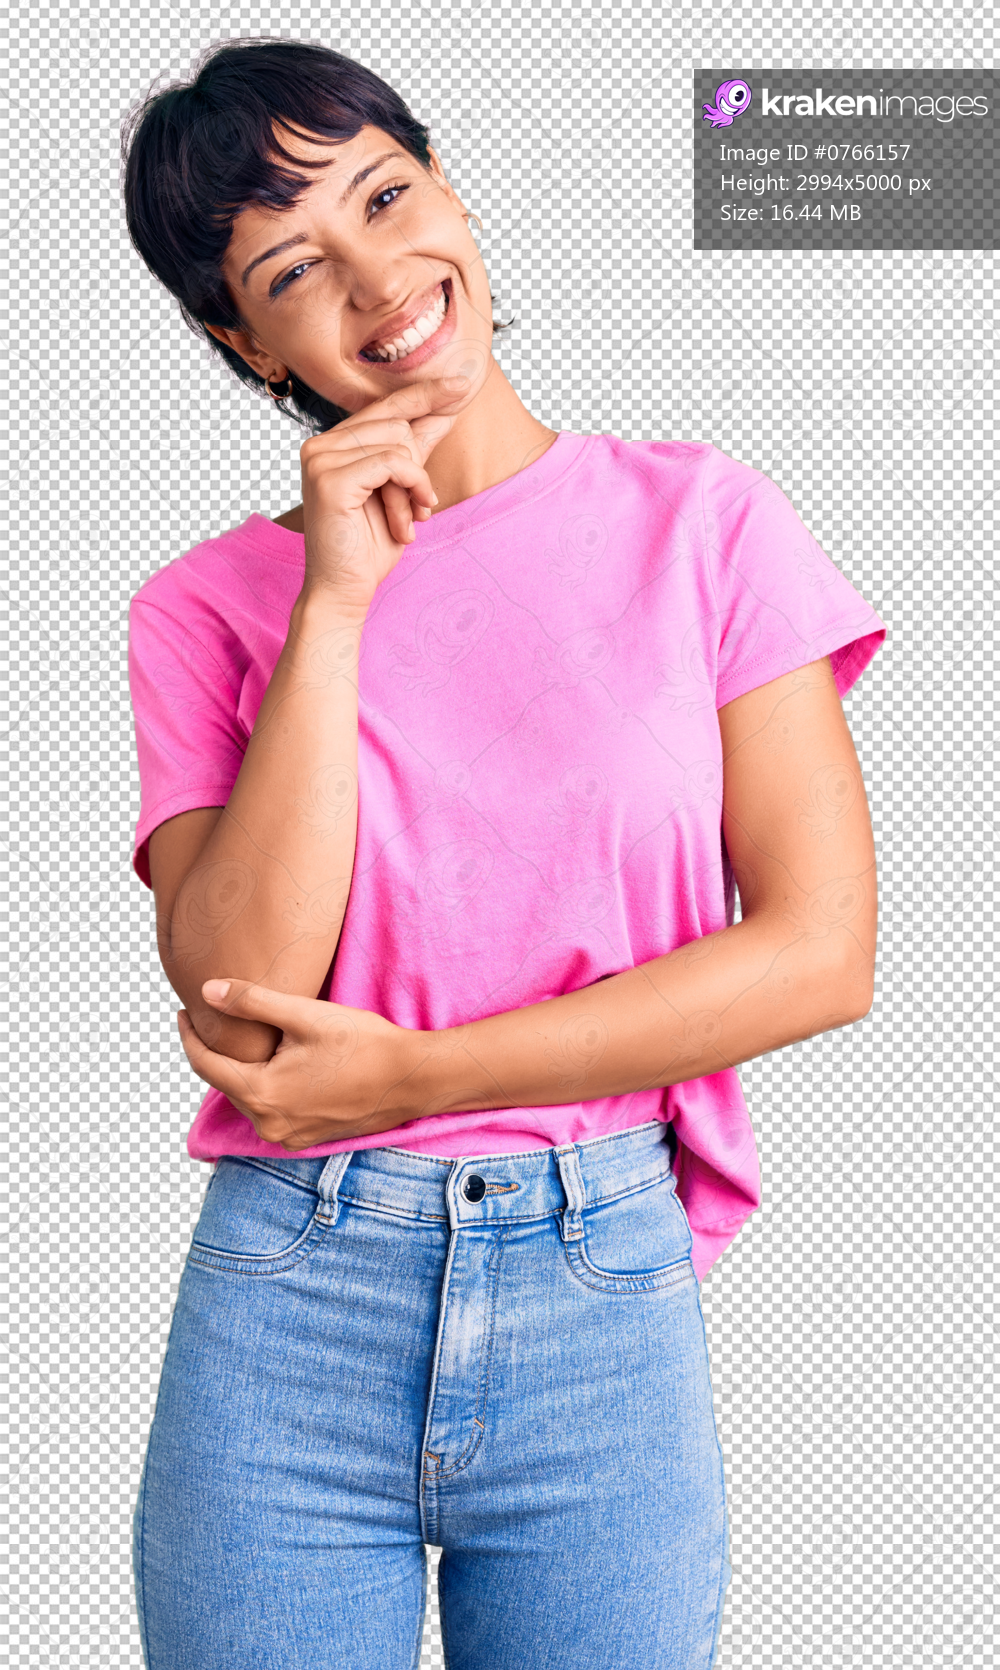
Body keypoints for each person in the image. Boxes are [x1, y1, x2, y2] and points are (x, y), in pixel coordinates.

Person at [121, 36, 887, 1670]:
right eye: (291, 267)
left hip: (597, 1298)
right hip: (290, 1308)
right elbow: (236, 982)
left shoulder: (708, 524)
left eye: (388, 196)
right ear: (233, 338)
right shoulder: (205, 606)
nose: (378, 277)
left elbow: (823, 952)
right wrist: (334, 603)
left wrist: (417, 1076)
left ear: (452, 184)